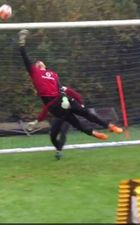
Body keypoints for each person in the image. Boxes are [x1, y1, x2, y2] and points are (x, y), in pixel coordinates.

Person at [18, 29, 123, 158]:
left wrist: (76, 100)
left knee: (86, 114)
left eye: (41, 62)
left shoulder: (53, 74)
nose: (39, 62)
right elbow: (25, 59)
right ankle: (93, 133)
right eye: (37, 62)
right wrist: (22, 43)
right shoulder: (34, 73)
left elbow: (62, 88)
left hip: (63, 100)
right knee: (76, 124)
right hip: (55, 106)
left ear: (45, 66)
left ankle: (110, 126)